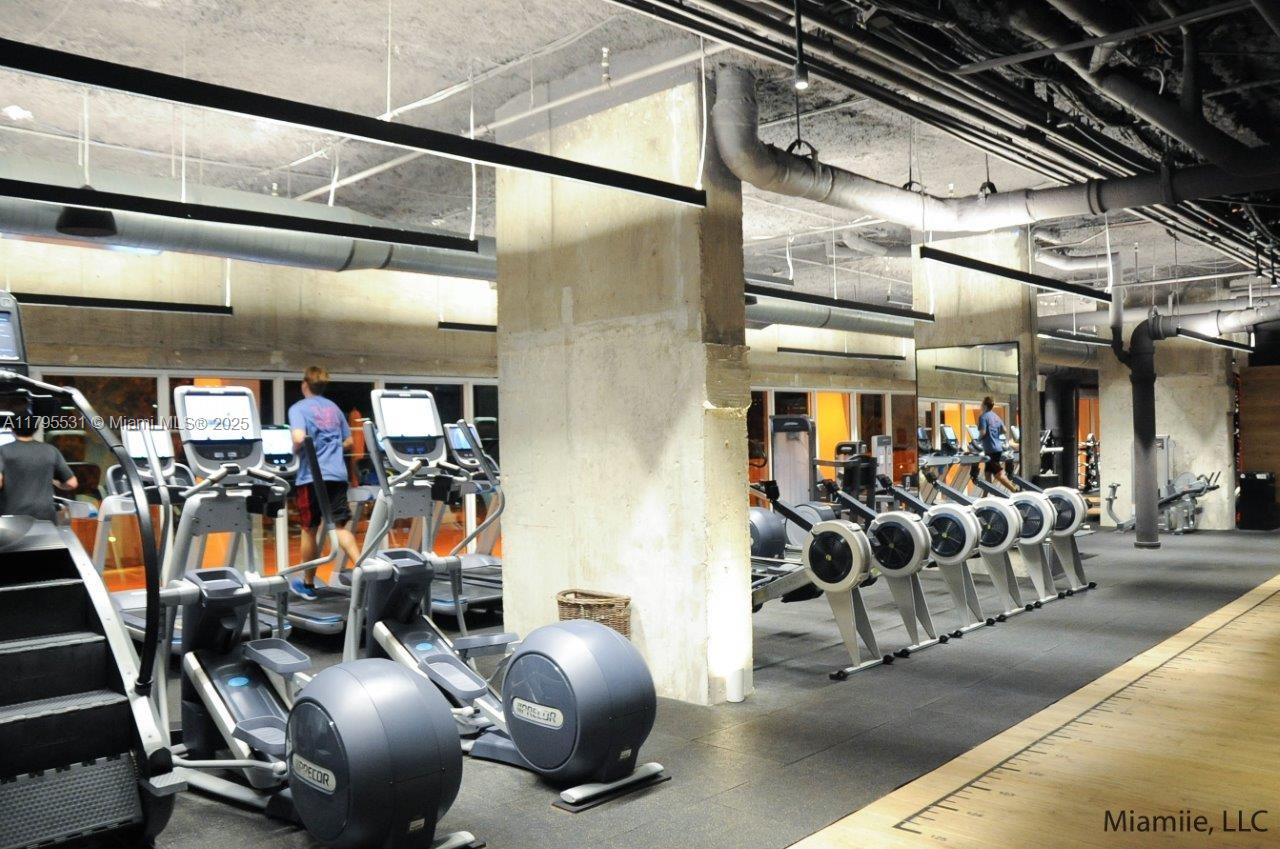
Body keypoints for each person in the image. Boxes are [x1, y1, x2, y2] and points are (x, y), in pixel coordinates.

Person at [287, 366, 362, 599]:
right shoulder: (334, 408)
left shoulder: (298, 408)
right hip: (337, 475)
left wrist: (294, 450)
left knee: (309, 529)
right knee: (338, 528)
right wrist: (332, 447)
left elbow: (299, 437)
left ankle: (308, 585)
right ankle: (365, 571)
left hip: (312, 476)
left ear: (304, 384)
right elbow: (349, 441)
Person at [0, 414, 78, 521]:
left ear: (12, 429)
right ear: (35, 429)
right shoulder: (51, 450)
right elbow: (71, 483)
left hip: (12, 518)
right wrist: (53, 481)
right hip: (45, 518)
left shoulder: (3, 451)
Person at [976, 396, 1018, 492]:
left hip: (990, 449)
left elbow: (983, 432)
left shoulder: (983, 417)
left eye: (982, 404)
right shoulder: (996, 416)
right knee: (987, 472)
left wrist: (977, 440)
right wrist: (994, 433)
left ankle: (1015, 490)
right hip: (997, 448)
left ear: (984, 405)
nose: (981, 405)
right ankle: (985, 496)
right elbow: (1004, 430)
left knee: (999, 474)